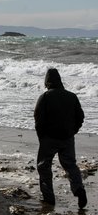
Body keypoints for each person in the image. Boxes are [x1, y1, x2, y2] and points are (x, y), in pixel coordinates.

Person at [34, 68, 87, 209]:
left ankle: (49, 197)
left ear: (47, 81)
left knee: (44, 167)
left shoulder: (45, 97)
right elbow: (80, 117)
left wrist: (42, 137)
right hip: (67, 138)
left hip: (49, 138)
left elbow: (38, 120)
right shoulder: (72, 96)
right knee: (70, 165)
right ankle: (79, 189)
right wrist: (72, 131)